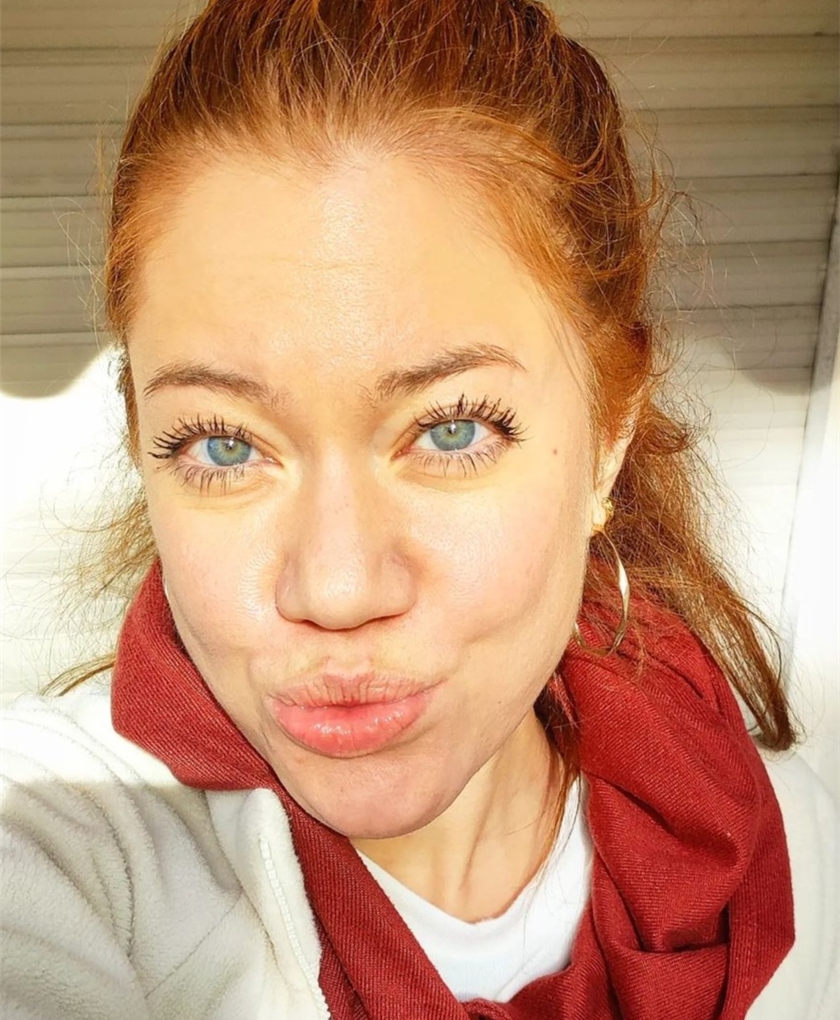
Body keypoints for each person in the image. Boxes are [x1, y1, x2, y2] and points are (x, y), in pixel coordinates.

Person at [1, 1, 837, 1017]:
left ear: (610, 431)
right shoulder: (54, 836)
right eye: (224, 445)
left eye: (450, 430)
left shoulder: (791, 851)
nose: (338, 589)